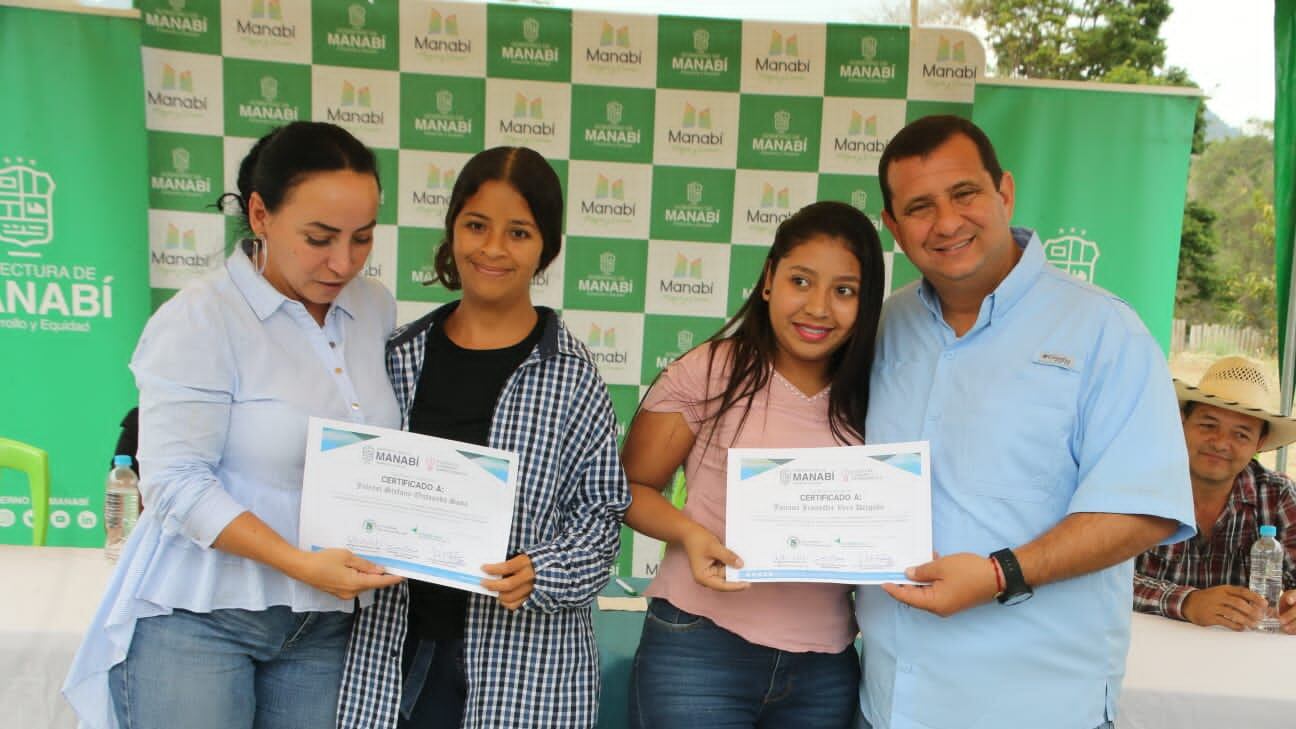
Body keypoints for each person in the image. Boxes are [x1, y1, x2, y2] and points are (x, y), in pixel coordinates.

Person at [856, 115, 1196, 729]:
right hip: (888, 703)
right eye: (920, 207)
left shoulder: (1102, 331)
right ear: (895, 228)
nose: (948, 222)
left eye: (965, 194)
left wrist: (997, 574)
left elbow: (1143, 508)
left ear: (1004, 192)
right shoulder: (882, 329)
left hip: (1035, 706)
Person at [63, 121, 404, 729]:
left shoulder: (373, 307)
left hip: (325, 626)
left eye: (362, 238)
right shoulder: (200, 317)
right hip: (199, 618)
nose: (343, 261)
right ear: (259, 213)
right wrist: (301, 562)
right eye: (319, 237)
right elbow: (175, 484)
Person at [335, 146, 629, 729]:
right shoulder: (394, 358)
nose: (492, 249)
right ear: (452, 231)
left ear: (546, 247)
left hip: (522, 672)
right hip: (390, 658)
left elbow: (602, 522)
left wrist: (541, 569)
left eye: (518, 232)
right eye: (476, 226)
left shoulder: (572, 376)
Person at [622, 201, 885, 729]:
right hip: (698, 649)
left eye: (844, 291)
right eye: (801, 281)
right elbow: (629, 488)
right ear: (769, 280)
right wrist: (691, 536)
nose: (818, 308)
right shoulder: (710, 371)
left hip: (825, 666)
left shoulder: (879, 391)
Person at [1134, 355, 1296, 633]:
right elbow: (1102, 578)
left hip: (1242, 663)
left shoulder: (1276, 494)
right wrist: (1188, 602)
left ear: (1260, 442)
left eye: (1241, 434)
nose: (1221, 443)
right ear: (1182, 422)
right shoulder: (1139, 485)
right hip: (1143, 655)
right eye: (1208, 426)